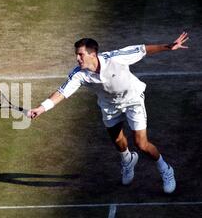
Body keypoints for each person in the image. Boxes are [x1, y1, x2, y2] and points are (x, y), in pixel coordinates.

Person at [28, 32, 189, 194]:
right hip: (109, 106)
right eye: (76, 55)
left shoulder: (116, 58)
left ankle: (165, 169)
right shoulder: (79, 74)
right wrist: (41, 108)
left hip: (133, 99)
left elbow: (144, 50)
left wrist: (169, 47)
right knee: (118, 141)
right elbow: (62, 92)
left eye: (80, 54)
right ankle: (128, 160)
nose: (77, 58)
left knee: (141, 144)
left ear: (93, 54)